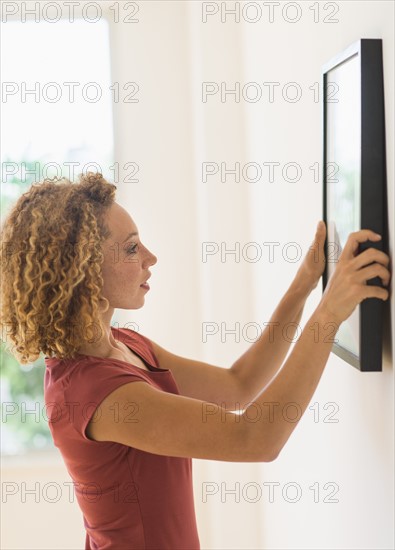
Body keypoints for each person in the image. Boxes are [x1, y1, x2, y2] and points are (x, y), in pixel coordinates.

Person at [0, 172, 390, 550]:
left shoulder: (126, 345)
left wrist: (305, 283)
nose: (151, 257)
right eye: (132, 248)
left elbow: (239, 385)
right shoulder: (95, 392)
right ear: (84, 271)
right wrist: (330, 312)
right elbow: (257, 439)